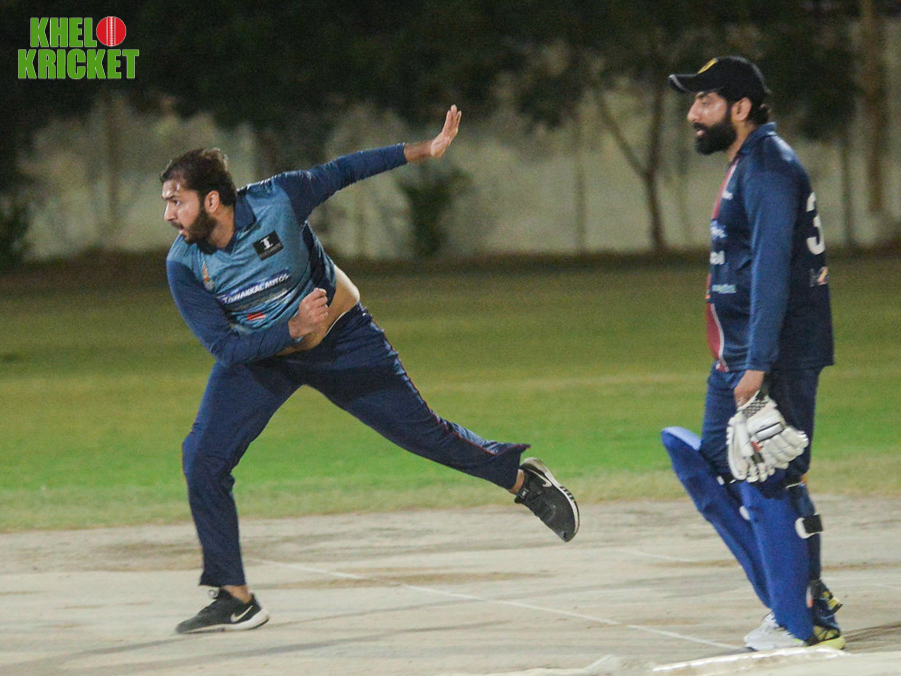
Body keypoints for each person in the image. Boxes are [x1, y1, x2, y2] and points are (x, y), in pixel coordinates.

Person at [159, 105, 579, 634]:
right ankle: (234, 597)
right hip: (262, 356)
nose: (168, 215)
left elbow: (345, 170)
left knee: (423, 433)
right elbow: (225, 348)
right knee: (203, 458)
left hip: (342, 339)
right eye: (167, 203)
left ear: (212, 200)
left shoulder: (278, 199)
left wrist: (424, 150)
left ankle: (522, 479)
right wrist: (290, 331)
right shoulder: (184, 265)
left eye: (176, 200)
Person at [662, 57, 843, 650]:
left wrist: (758, 363)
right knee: (723, 462)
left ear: (740, 108)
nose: (693, 114)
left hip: (773, 357)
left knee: (769, 478)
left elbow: (770, 273)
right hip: (738, 355)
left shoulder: (767, 166)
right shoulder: (748, 163)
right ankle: (802, 594)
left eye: (706, 101)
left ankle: (800, 618)